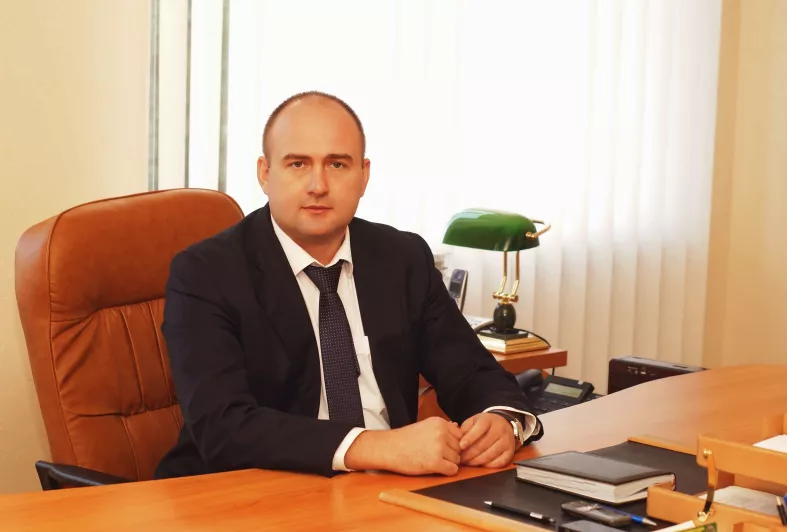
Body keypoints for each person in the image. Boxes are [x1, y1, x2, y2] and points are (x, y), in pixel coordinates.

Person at [154, 91, 542, 479]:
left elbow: (472, 372)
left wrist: (502, 421)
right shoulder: (206, 272)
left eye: (337, 164)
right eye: (298, 164)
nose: (318, 185)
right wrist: (373, 447)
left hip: (389, 490)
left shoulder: (402, 258)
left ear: (364, 175)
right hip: (256, 491)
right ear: (265, 173)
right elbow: (221, 426)